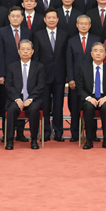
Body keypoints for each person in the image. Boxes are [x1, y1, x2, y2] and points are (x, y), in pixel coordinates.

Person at [31, 10, 68, 141]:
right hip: (43, 76)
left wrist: (67, 75)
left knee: (58, 105)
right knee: (45, 105)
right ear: (45, 20)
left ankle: (58, 132)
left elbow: (66, 56)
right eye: (49, 18)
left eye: (54, 17)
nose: (51, 20)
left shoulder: (64, 34)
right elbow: (36, 57)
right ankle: (46, 132)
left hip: (59, 75)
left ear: (57, 19)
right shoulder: (38, 35)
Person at [4, 39, 45, 150]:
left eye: (28, 49)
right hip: (16, 98)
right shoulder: (12, 67)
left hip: (32, 99)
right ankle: (10, 140)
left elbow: (40, 85)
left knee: (34, 109)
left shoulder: (39, 67)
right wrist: (17, 99)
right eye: (23, 49)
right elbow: (8, 85)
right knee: (11, 110)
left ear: (32, 51)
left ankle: (34, 140)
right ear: (18, 51)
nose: (25, 52)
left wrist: (30, 99)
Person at [76, 42, 106, 149]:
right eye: (95, 51)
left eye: (101, 51)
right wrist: (88, 98)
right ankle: (89, 140)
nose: (98, 53)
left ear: (105, 54)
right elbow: (79, 88)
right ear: (91, 54)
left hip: (105, 97)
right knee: (88, 107)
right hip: (90, 97)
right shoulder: (83, 69)